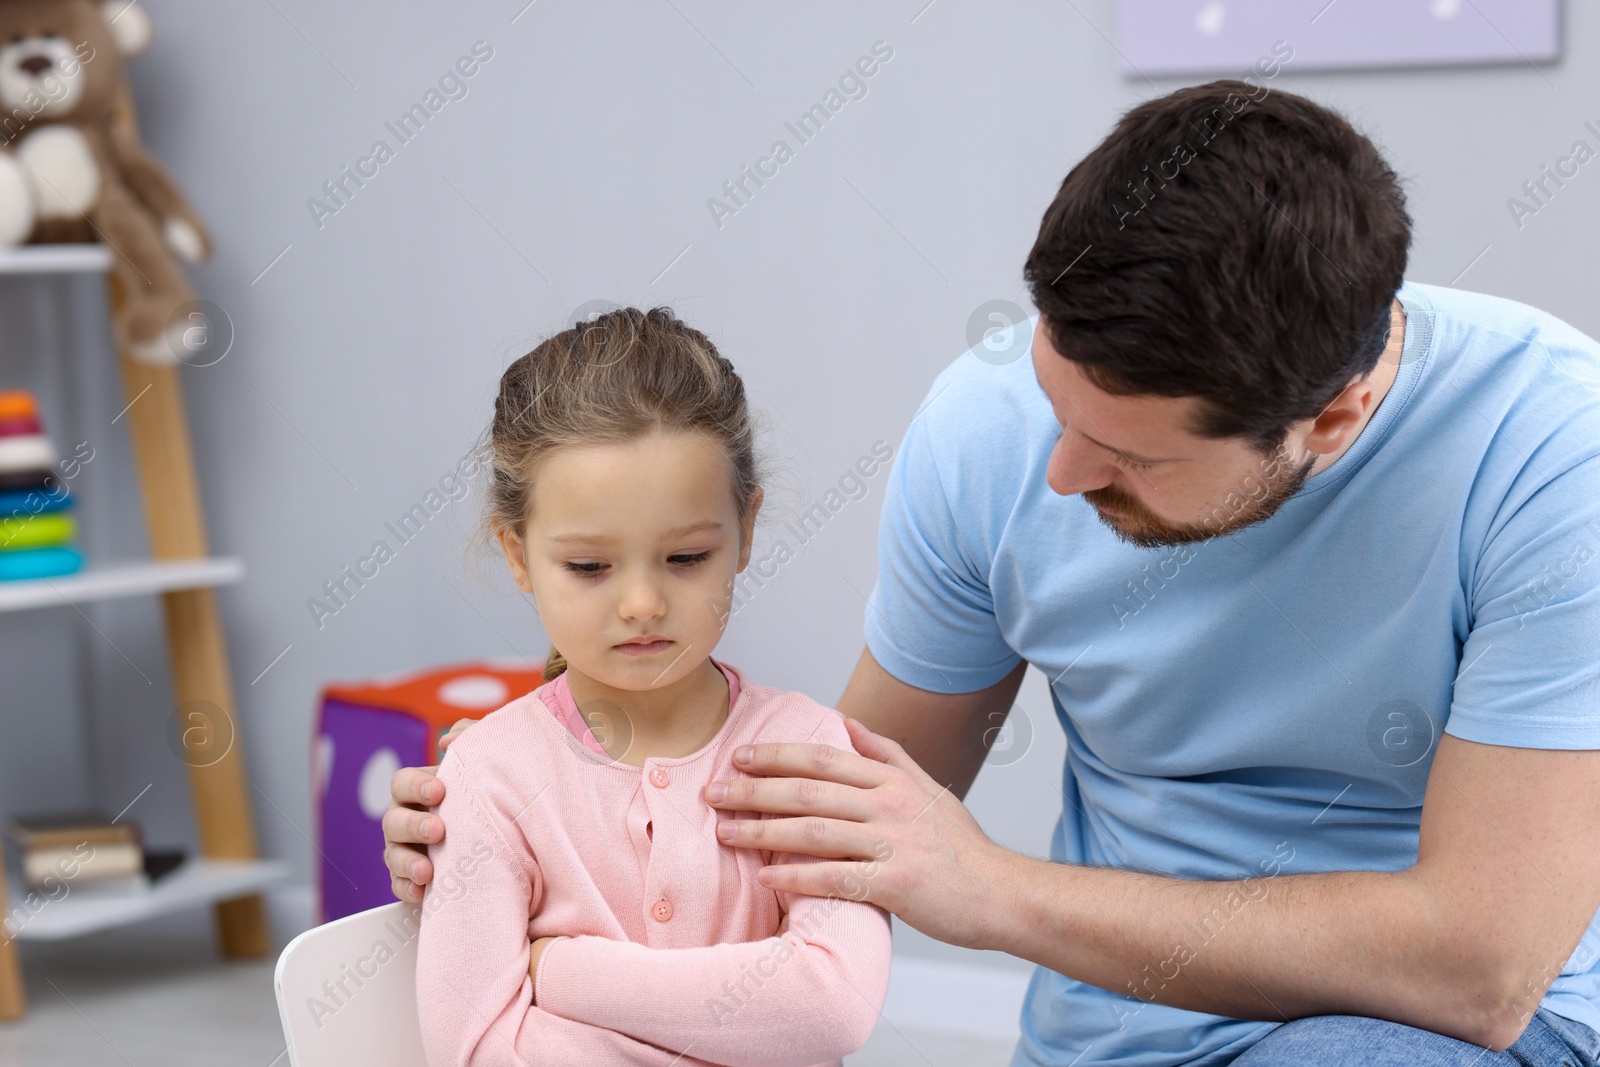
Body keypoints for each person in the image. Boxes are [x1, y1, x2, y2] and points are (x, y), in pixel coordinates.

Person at [390, 81, 1600, 1067]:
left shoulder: (1551, 458)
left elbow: (1478, 968)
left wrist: (997, 891)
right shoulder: (987, 425)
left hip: (1434, 1028)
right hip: (1113, 1032)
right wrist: (503, 828)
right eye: (1053, 397)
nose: (1061, 472)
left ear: (1328, 421)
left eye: (1131, 453)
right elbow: (828, 818)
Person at [411, 306, 892, 1067]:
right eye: (591, 567)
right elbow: (473, 1050)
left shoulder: (808, 752)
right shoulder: (489, 776)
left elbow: (830, 1009)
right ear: (515, 552)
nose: (641, 603)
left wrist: (565, 973)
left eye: (687, 556)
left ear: (746, 530)